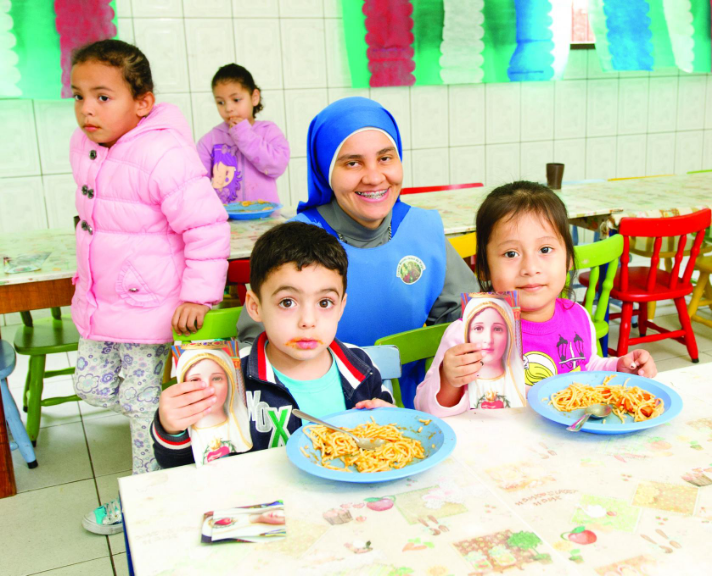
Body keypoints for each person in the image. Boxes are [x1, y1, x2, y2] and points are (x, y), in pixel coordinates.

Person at [69, 39, 230, 534]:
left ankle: (144, 497)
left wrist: (197, 295)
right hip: (102, 304)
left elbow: (206, 227)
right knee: (89, 385)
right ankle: (181, 448)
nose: (86, 109)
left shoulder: (164, 153)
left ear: (142, 102)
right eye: (77, 96)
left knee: (143, 409)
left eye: (102, 96)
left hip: (152, 307)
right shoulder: (88, 145)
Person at [236, 97, 478, 407]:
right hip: (314, 416)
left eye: (385, 158)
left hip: (417, 408)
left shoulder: (424, 231)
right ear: (325, 170)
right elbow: (250, 349)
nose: (375, 177)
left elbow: (471, 321)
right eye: (352, 162)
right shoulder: (296, 241)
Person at [152, 222, 393, 468]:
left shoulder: (361, 366)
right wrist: (171, 428)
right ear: (255, 307)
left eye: (324, 303)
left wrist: (390, 423)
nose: (308, 321)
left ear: (342, 306)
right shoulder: (229, 377)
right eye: (287, 302)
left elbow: (383, 441)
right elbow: (183, 467)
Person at [414, 181, 657, 416]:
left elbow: (587, 368)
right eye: (511, 253)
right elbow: (426, 410)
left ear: (569, 259)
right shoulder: (467, 335)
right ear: (485, 269)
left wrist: (618, 367)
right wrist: (448, 380)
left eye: (545, 250)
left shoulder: (577, 316)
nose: (530, 268)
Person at [197, 63, 289, 204]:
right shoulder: (210, 140)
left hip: (265, 216)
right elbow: (197, 182)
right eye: (220, 102)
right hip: (227, 219)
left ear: (254, 97)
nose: (228, 108)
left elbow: (277, 166)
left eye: (236, 100)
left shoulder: (268, 131)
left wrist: (244, 134)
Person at [173, 344, 252, 466]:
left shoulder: (249, 423)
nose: (208, 387)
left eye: (216, 379)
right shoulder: (179, 432)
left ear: (230, 381)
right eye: (195, 380)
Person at [463, 293, 526, 409]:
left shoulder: (519, 381)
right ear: (467, 333)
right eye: (478, 328)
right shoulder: (460, 383)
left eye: (497, 329)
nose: (488, 339)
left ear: (509, 334)